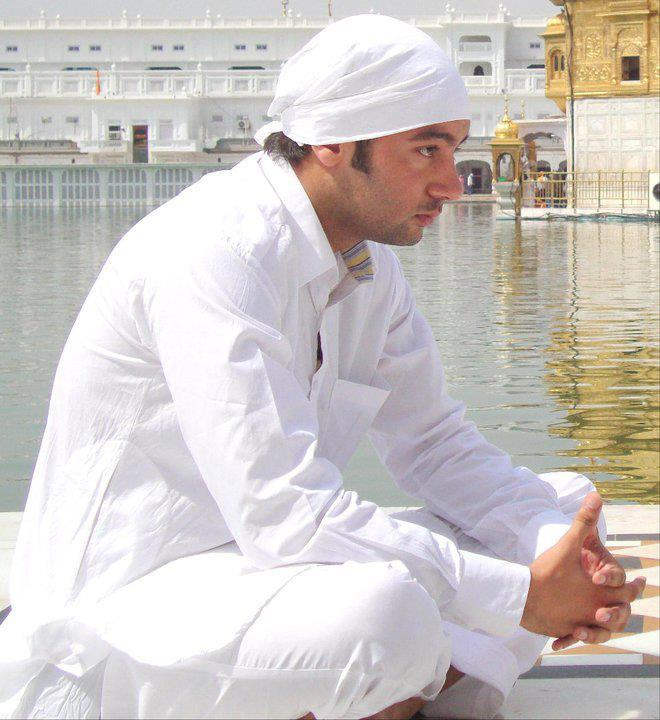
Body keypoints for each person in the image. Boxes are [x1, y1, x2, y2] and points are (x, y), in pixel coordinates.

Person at [0, 15, 645, 720]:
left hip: (266, 580)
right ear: (334, 141)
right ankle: (383, 690)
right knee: (385, 617)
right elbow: (283, 513)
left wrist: (563, 569)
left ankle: (373, 699)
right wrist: (519, 595)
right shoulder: (215, 252)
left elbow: (434, 445)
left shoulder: (369, 271)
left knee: (557, 511)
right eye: (425, 150)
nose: (451, 183)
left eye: (452, 150)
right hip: (130, 610)